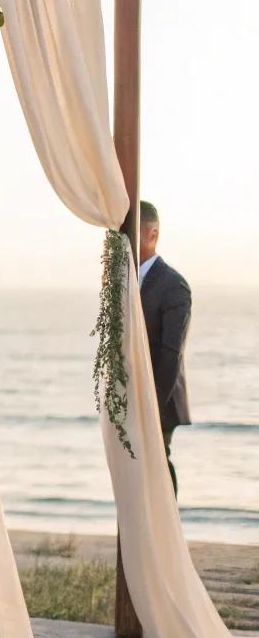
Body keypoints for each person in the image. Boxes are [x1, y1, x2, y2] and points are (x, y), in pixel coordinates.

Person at [138, 200, 191, 495]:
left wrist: (151, 406)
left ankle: (165, 535)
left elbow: (171, 354)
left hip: (160, 400)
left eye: (130, 233)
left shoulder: (173, 285)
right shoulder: (126, 278)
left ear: (152, 234)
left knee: (159, 466)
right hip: (132, 399)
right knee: (136, 474)